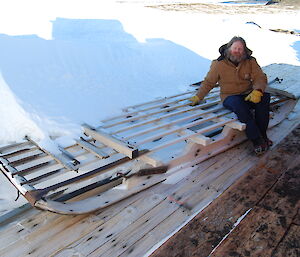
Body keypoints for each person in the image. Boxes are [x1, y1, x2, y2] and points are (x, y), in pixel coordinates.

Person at [189, 36, 272, 155]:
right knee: (239, 105)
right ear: (229, 48)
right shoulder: (219, 64)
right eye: (235, 48)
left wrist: (258, 90)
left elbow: (260, 76)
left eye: (240, 49)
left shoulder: (250, 61)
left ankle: (263, 134)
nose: (237, 51)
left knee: (264, 98)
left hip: (248, 94)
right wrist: (199, 96)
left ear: (244, 50)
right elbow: (209, 82)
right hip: (230, 96)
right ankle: (256, 139)